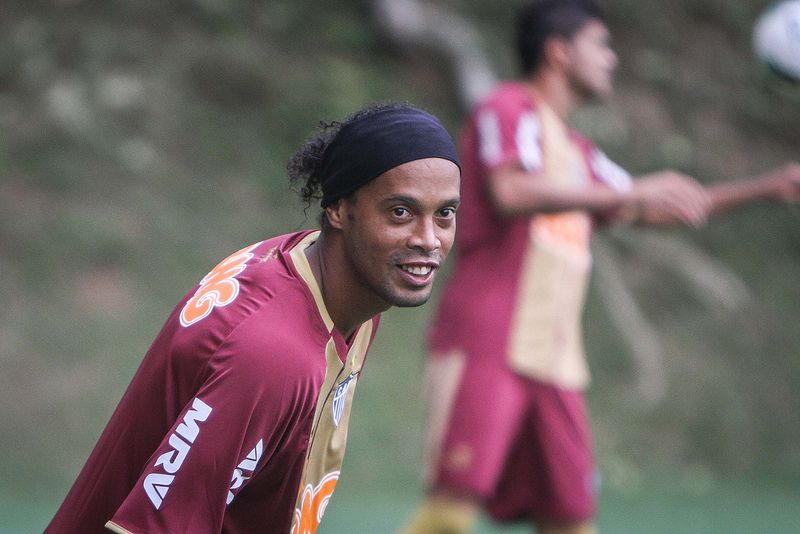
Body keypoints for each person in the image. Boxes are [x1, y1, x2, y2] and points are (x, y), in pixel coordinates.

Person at [401, 1, 800, 533]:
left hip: (558, 362)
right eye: (602, 45)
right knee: (450, 515)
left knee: (571, 522)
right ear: (559, 51)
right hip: (488, 343)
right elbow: (511, 190)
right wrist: (632, 188)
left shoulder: (581, 154)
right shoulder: (507, 107)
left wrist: (770, 186)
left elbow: (661, 206)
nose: (613, 59)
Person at [45, 102, 461, 534]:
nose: (428, 240)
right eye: (401, 212)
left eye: (445, 214)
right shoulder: (272, 355)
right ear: (338, 209)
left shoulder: (334, 281)